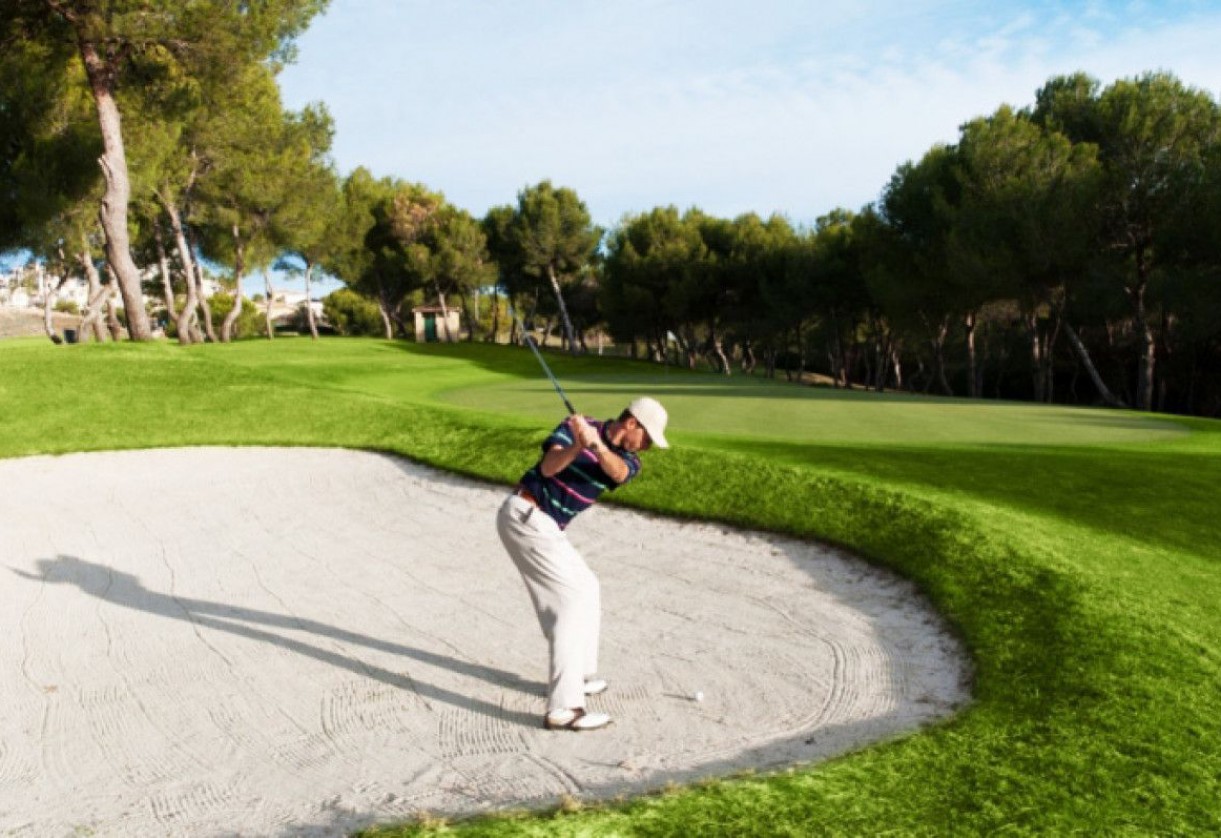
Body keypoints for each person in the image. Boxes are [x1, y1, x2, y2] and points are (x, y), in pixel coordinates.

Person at [496, 397, 670, 731]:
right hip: (525, 515)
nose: (646, 446)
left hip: (545, 525)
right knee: (570, 603)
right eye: (647, 438)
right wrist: (578, 444)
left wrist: (597, 446)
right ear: (632, 423)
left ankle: (578, 674)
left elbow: (615, 471)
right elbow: (548, 468)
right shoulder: (575, 427)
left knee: (587, 587)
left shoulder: (628, 461)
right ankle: (564, 708)